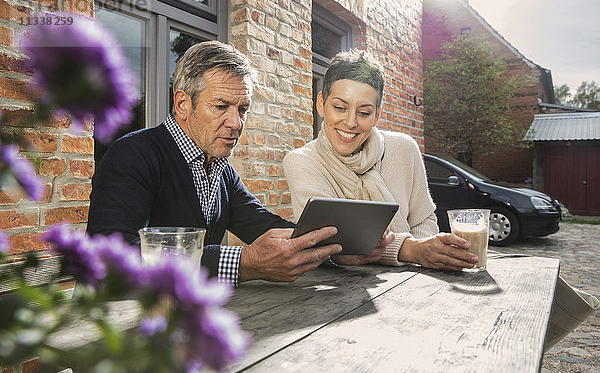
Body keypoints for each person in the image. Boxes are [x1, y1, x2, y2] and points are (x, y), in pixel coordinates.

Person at [87, 41, 342, 285]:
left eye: (243, 109)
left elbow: (263, 225)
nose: (236, 123)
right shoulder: (133, 155)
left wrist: (338, 247)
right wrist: (242, 263)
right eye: (221, 106)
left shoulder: (222, 171)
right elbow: (110, 258)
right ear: (182, 104)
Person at [283, 49, 478, 271]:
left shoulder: (404, 148)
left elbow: (424, 221)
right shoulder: (301, 162)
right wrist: (413, 250)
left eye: (364, 113)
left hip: (416, 280)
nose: (350, 122)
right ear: (321, 104)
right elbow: (336, 241)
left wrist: (426, 258)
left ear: (377, 114)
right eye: (339, 107)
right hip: (339, 293)